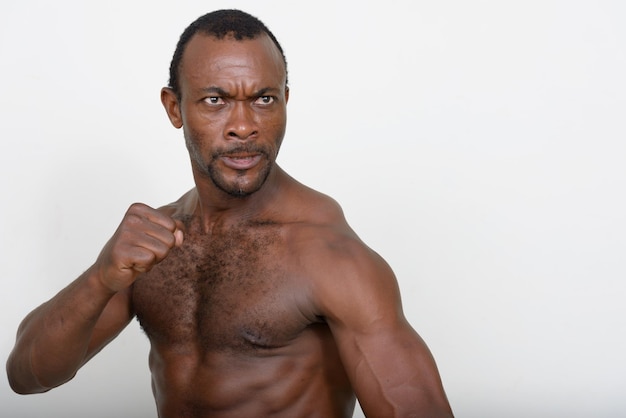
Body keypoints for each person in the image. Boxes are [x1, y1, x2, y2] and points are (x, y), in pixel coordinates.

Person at [6, 9, 454, 418]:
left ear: (285, 101)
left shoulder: (328, 255)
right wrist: (100, 278)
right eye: (215, 101)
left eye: (264, 99)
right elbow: (26, 377)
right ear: (174, 107)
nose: (244, 125)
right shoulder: (157, 242)